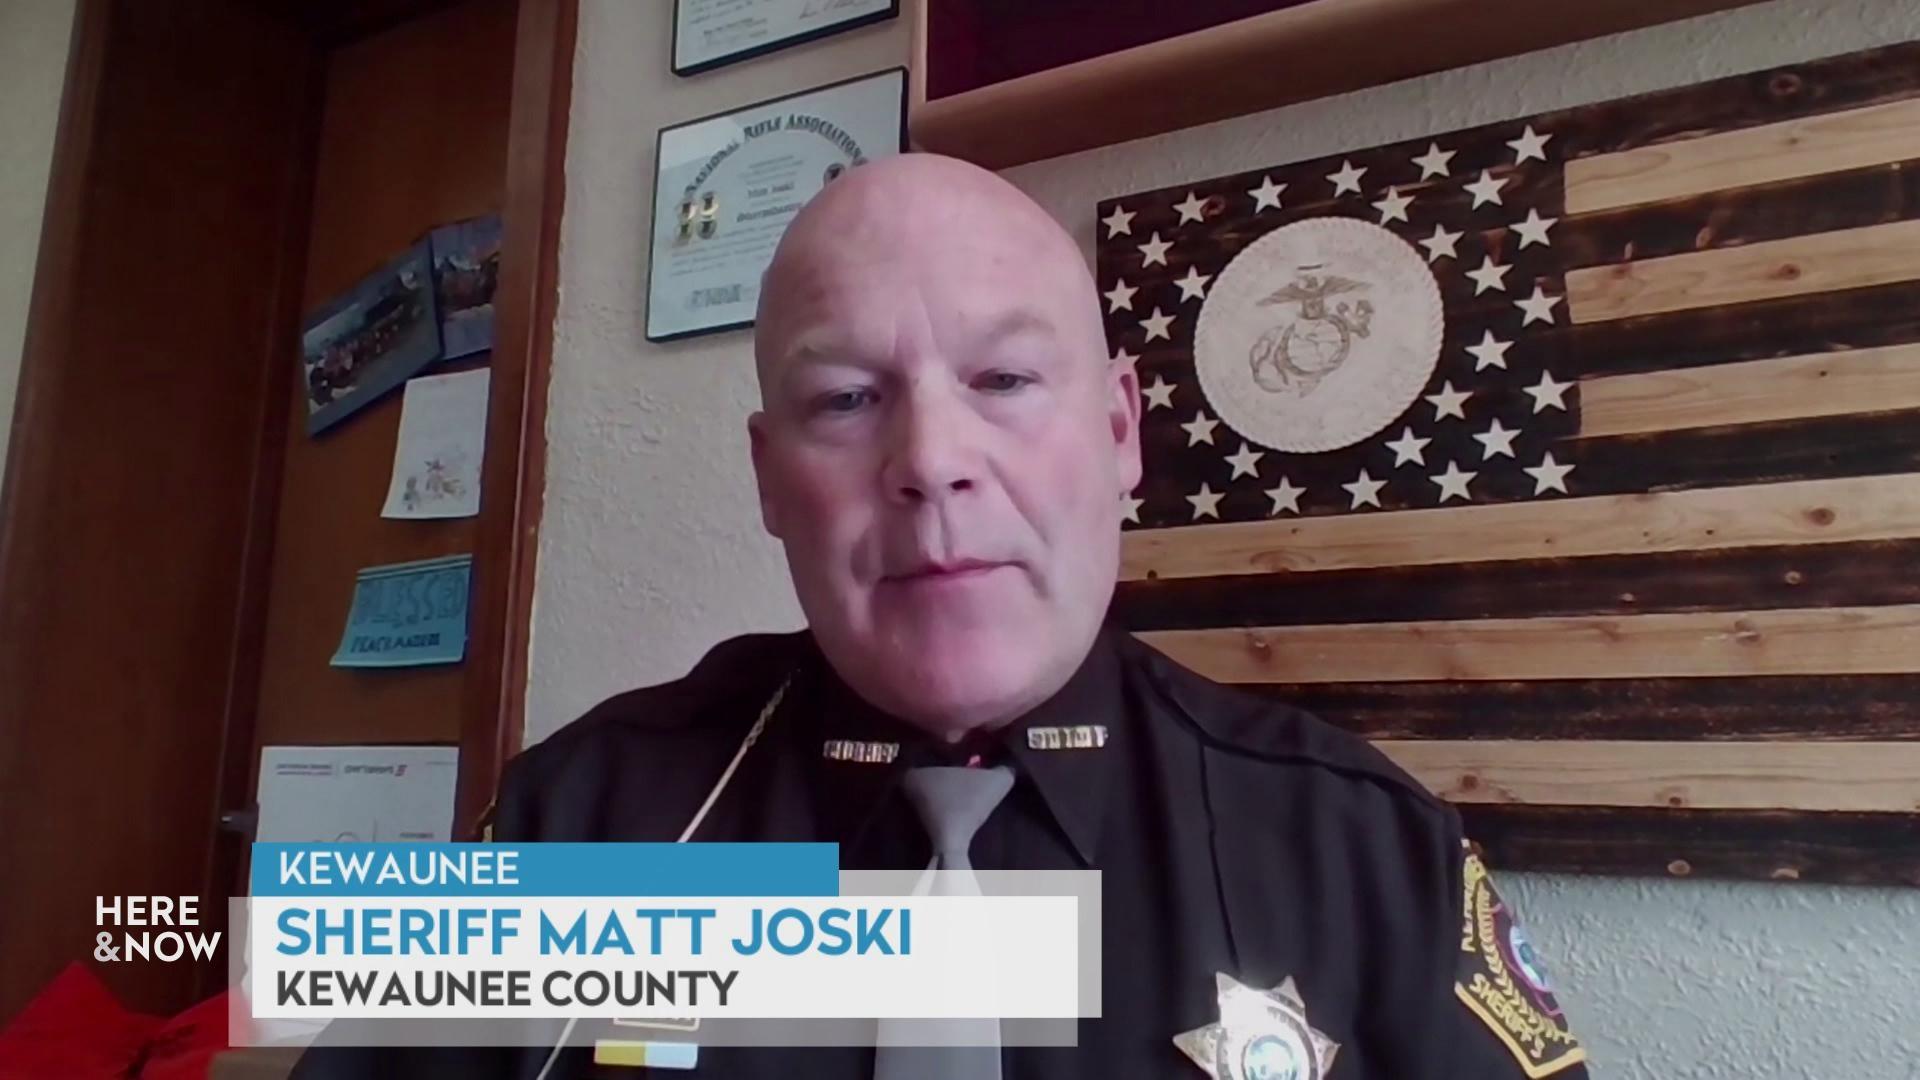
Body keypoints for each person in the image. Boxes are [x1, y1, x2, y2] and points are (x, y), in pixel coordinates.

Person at [292, 153, 1586, 1079]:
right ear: (766, 479)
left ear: (1121, 433)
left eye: (1006, 378)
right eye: (848, 399)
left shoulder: (1360, 849)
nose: (932, 459)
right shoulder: (570, 828)